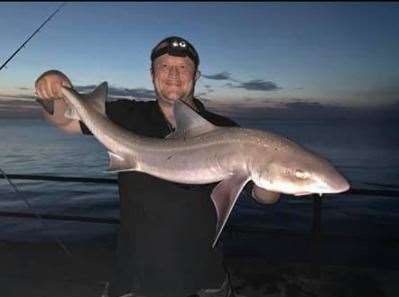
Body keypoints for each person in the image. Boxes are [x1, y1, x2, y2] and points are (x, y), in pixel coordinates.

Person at [35, 36, 279, 297]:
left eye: (183, 67)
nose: (173, 73)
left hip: (206, 278)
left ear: (196, 75)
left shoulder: (226, 131)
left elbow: (262, 197)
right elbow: (63, 121)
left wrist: (276, 178)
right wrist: (54, 87)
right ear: (152, 73)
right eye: (164, 66)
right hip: (134, 277)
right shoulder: (126, 116)